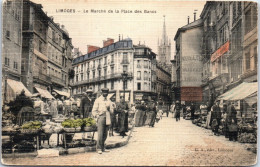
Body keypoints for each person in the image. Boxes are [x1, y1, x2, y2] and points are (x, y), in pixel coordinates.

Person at [92, 88, 112, 154]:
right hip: (101, 117)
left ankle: (103, 147)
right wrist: (97, 116)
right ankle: (99, 148)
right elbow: (94, 111)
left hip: (108, 116)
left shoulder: (109, 100)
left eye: (107, 92)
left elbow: (112, 111)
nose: (105, 94)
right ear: (102, 93)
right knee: (100, 133)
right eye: (104, 92)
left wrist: (110, 109)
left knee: (105, 133)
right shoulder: (98, 100)